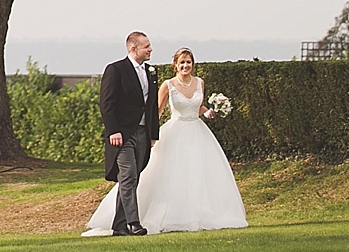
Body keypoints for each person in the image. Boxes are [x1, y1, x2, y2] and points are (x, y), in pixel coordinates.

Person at [84, 46, 248, 236]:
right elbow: (156, 110)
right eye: (182, 63)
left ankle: (199, 212)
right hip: (176, 131)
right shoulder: (167, 85)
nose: (185, 66)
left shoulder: (200, 83)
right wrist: (150, 134)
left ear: (193, 65)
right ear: (175, 65)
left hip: (197, 132)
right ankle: (130, 219)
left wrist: (208, 112)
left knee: (198, 172)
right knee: (160, 173)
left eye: (188, 62)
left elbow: (199, 106)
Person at [93, 31, 160, 236]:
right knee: (128, 175)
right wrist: (113, 131)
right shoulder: (116, 70)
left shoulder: (151, 71)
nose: (150, 49)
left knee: (132, 177)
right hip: (122, 134)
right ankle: (134, 223)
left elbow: (151, 106)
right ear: (133, 48)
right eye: (146, 46)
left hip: (143, 132)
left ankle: (119, 226)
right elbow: (107, 104)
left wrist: (153, 134)